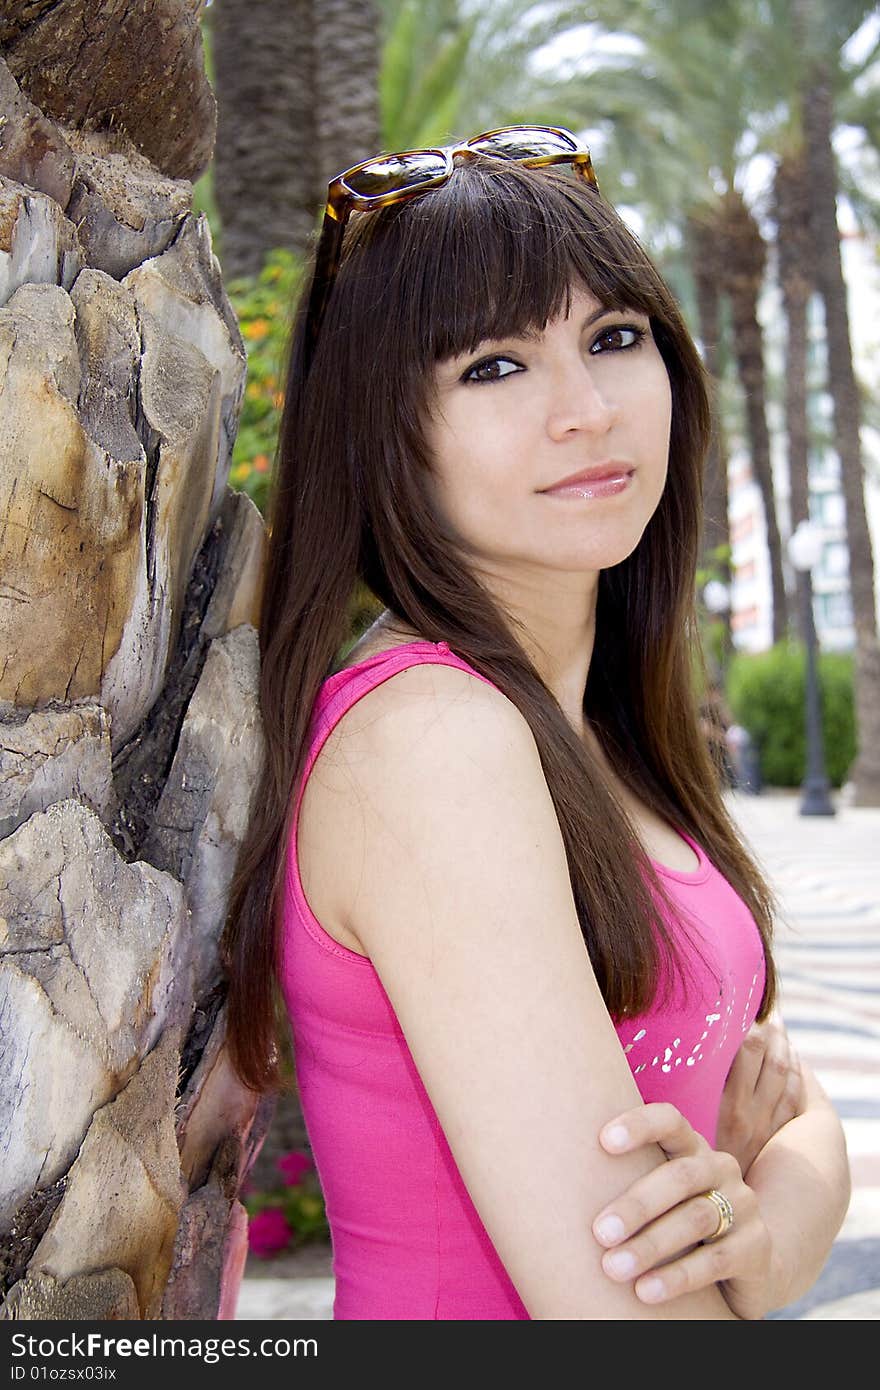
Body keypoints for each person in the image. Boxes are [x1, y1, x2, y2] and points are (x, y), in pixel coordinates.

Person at [221, 126, 850, 1320]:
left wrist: (769, 1224)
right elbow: (638, 1307)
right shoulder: (432, 745)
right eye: (493, 368)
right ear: (382, 433)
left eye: (613, 339)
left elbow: (787, 1098)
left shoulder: (603, 733)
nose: (585, 410)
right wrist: (776, 1222)